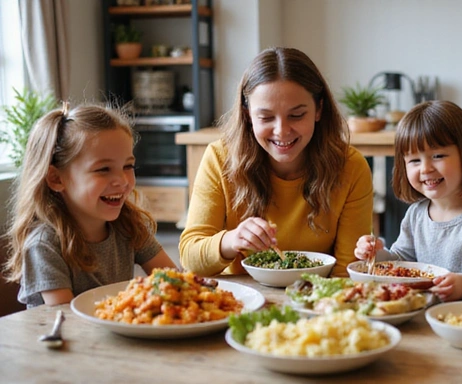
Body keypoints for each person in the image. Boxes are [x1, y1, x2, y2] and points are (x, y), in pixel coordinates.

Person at [179, 47, 373, 277]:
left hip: (320, 302)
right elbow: (190, 260)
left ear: (319, 109)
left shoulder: (351, 167)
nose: (282, 131)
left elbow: (346, 273)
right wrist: (232, 240)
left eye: (297, 115)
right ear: (247, 114)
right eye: (266, 117)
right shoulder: (219, 159)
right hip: (243, 302)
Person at [2, 103, 176, 308]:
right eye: (103, 169)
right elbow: (67, 320)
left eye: (128, 166)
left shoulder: (129, 224)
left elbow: (175, 280)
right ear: (56, 179)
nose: (122, 180)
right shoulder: (44, 245)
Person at [354, 100, 462, 302]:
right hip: (418, 313)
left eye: (437, 155)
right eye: (414, 160)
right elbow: (402, 262)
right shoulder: (416, 213)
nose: (425, 169)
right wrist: (376, 254)